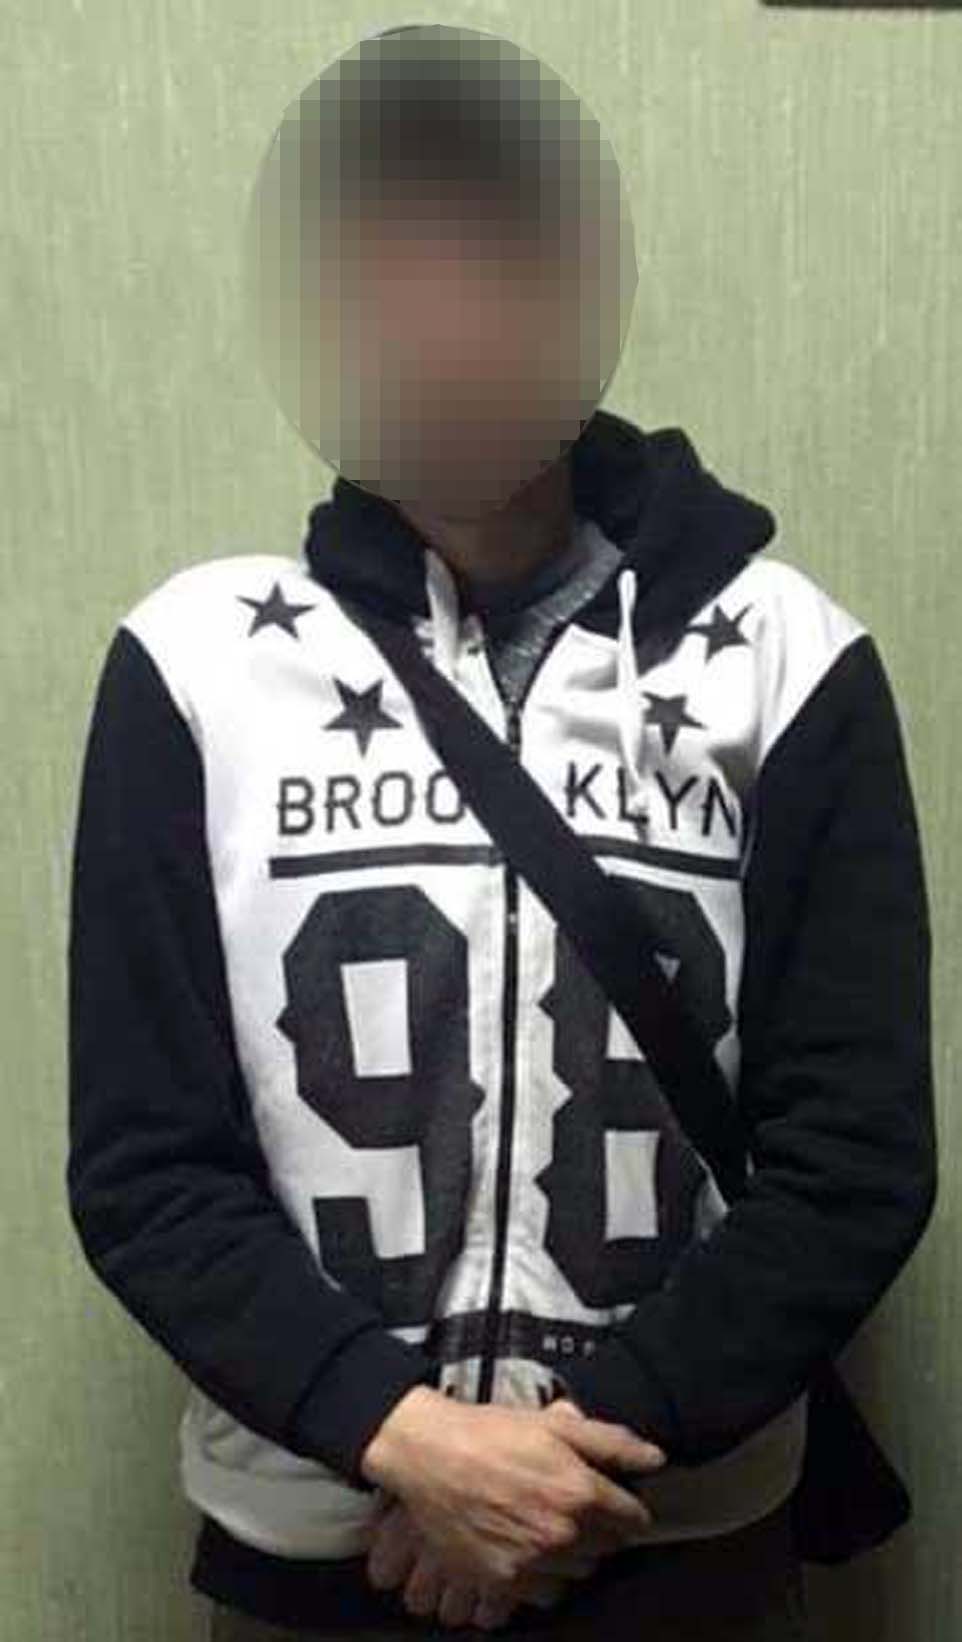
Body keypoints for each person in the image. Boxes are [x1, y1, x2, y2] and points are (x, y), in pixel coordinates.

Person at [65, 23, 936, 1642]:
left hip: (679, 1540)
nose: (438, 321)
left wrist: (562, 1464)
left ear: (577, 294)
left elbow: (855, 1154)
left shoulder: (788, 658)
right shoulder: (193, 668)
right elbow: (143, 1162)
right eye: (379, 274)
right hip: (315, 1548)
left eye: (488, 262)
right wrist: (407, 1443)